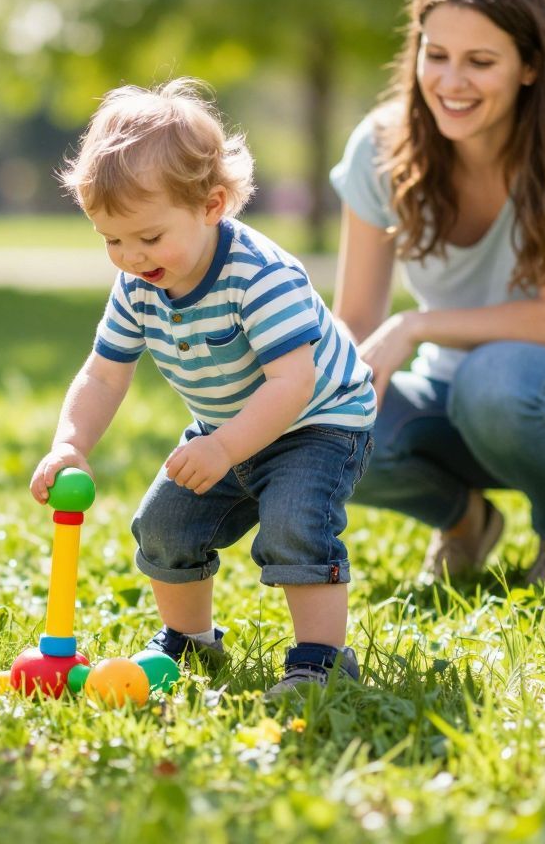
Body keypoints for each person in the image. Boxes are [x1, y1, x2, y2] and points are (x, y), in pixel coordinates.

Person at [30, 80, 376, 697]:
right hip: (226, 428)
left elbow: (293, 383)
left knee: (295, 523)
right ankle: (190, 642)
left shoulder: (260, 276)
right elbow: (104, 373)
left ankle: (321, 662)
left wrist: (223, 448)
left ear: (212, 205)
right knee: (165, 525)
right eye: (112, 240)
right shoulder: (139, 285)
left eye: (148, 237)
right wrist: (70, 443)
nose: (131, 257)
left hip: (318, 424)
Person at [330, 0, 545, 587]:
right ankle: (465, 522)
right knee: (323, 418)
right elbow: (357, 321)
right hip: (453, 404)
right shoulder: (380, 147)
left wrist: (417, 326)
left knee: (493, 380)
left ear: (530, 66)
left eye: (480, 62)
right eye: (437, 55)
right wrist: (305, 392)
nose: (451, 82)